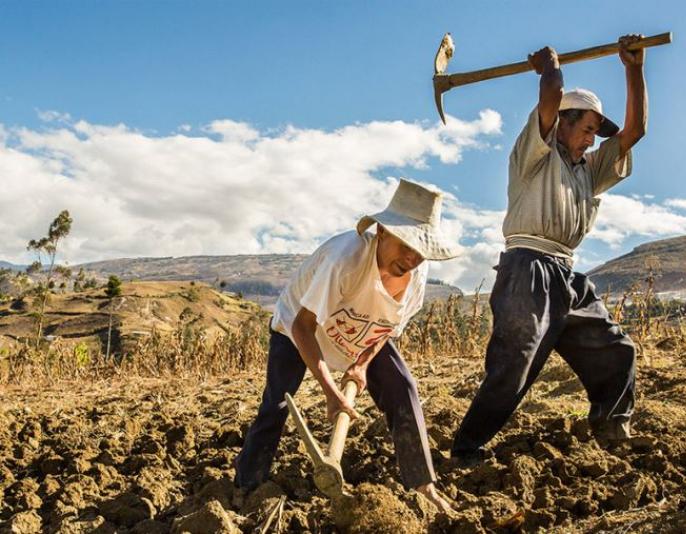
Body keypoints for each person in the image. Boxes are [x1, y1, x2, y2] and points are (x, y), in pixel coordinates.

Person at [451, 35, 648, 462]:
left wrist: (634, 69)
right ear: (563, 122)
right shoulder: (534, 155)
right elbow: (553, 95)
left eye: (596, 133)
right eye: (588, 129)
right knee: (516, 361)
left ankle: (612, 429)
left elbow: (634, 132)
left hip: (566, 274)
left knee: (617, 350)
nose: (593, 141)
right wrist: (550, 69)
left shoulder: (588, 170)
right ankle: (467, 448)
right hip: (528, 268)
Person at [235, 179, 460, 511]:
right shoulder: (345, 259)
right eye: (405, 244)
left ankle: (423, 486)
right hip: (298, 329)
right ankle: (246, 487)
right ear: (382, 231)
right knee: (277, 404)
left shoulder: (417, 277)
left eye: (421, 251)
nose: (412, 257)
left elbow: (387, 328)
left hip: (358, 335)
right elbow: (303, 326)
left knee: (403, 388)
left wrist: (361, 365)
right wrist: (330, 392)